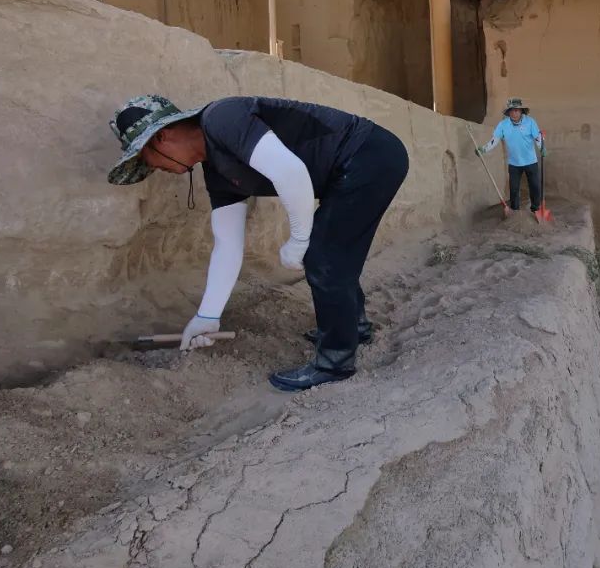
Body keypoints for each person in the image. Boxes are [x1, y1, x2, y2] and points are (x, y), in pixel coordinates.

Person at [106, 94, 408, 392]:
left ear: (161, 137)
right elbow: (227, 244)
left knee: (323, 255)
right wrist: (207, 316)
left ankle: (335, 362)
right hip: (349, 169)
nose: (159, 170)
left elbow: (290, 172)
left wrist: (299, 239)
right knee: (332, 248)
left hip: (369, 154)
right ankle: (353, 328)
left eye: (150, 162)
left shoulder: (222, 119)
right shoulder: (218, 172)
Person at [475, 98, 546, 213]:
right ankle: (515, 211)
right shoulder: (503, 125)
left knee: (535, 187)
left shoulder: (530, 122)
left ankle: (536, 209)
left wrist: (542, 148)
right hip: (514, 163)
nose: (514, 113)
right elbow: (495, 140)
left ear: (521, 111)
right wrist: (483, 149)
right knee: (513, 189)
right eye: (511, 110)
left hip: (530, 161)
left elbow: (538, 137)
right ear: (508, 112)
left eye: (517, 110)